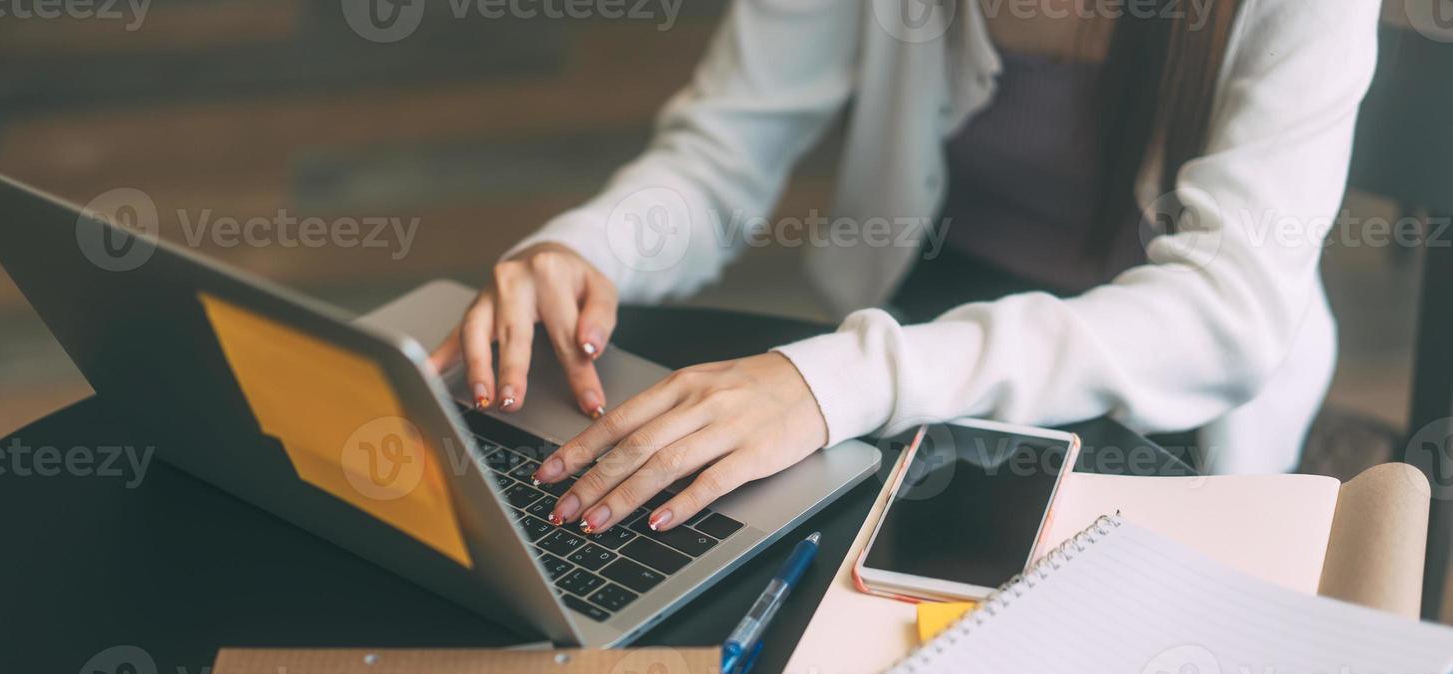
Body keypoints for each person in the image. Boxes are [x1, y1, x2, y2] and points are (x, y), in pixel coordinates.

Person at [430, 0, 1380, 537]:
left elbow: (1226, 311)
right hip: (927, 307)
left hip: (1172, 386)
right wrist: (589, 246)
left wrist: (841, 380)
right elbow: (721, 155)